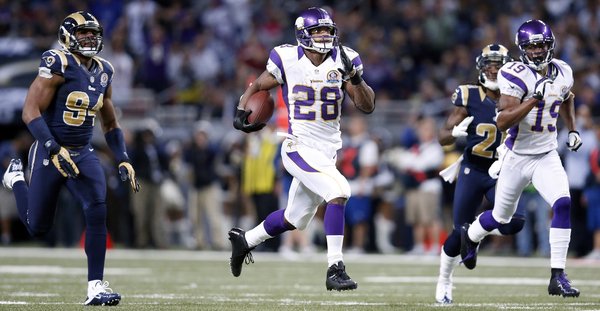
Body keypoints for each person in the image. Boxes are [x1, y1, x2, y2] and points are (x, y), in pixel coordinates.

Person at [227, 7, 375, 291]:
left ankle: (245, 240)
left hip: (328, 151)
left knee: (295, 218)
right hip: (298, 146)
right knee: (339, 191)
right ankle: (336, 268)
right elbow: (259, 83)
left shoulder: (346, 59)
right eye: (318, 31)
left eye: (327, 30)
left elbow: (366, 106)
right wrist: (242, 105)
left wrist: (355, 78)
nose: (324, 36)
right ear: (303, 34)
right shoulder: (286, 58)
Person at [1, 11, 140, 306]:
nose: (90, 38)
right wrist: (53, 148)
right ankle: (15, 179)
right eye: (83, 33)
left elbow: (111, 124)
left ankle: (95, 285)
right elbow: (30, 112)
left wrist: (123, 157)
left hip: (83, 151)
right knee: (37, 227)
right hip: (51, 149)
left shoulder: (104, 71)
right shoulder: (58, 62)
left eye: (93, 33)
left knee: (97, 209)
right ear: (67, 36)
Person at [460, 20, 581, 298]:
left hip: (547, 154)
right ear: (522, 48)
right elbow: (502, 121)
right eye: (532, 46)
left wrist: (572, 129)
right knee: (501, 217)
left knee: (562, 203)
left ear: (550, 45)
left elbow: (567, 96)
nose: (537, 51)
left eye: (541, 45)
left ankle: (557, 275)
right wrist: (532, 99)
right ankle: (471, 235)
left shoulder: (563, 71)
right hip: (517, 156)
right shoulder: (513, 73)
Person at [435, 44, 526, 304]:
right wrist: (454, 134)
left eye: (499, 65)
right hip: (473, 169)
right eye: (490, 65)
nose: (495, 70)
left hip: (503, 172)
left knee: (514, 222)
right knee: (455, 233)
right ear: (481, 68)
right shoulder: (469, 95)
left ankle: (473, 234)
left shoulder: (518, 94)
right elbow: (442, 137)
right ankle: (444, 280)